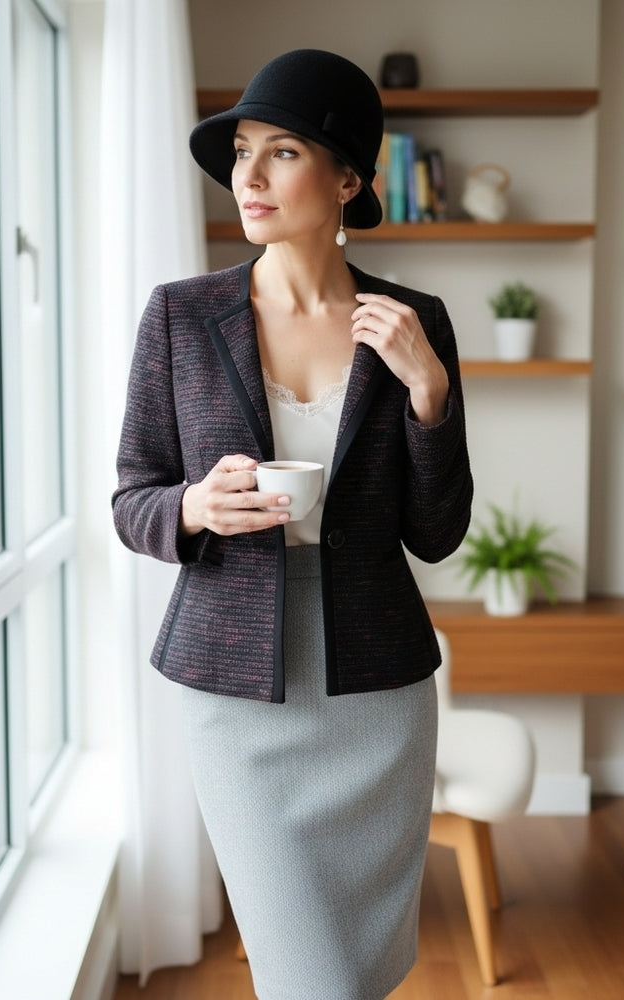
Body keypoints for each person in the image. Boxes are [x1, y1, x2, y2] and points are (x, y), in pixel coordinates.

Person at [112, 48, 473, 1000]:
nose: (250, 178)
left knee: (350, 974)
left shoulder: (413, 322)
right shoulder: (182, 318)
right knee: (310, 975)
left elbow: (437, 534)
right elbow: (131, 499)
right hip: (235, 692)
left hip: (376, 692)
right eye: (241, 153)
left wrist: (428, 395)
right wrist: (194, 507)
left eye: (281, 153)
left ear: (349, 178)